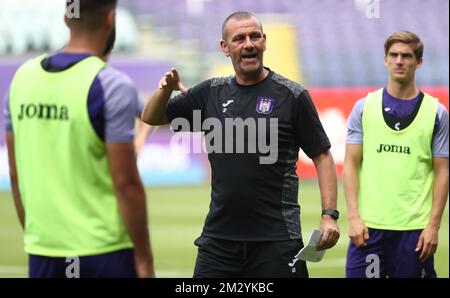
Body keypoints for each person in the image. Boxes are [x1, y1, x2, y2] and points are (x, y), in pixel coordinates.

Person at [142, 11, 340, 278]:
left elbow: (322, 156)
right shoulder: (210, 92)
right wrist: (165, 89)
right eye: (239, 38)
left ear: (264, 42)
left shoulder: (292, 95)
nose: (248, 43)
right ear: (225, 47)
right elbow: (152, 117)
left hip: (277, 239)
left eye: (254, 36)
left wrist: (329, 215)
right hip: (219, 241)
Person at [4, 0, 154, 278]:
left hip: (44, 251)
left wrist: (38, 238)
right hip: (104, 252)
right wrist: (144, 259)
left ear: (65, 18)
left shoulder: (21, 79)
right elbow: (126, 184)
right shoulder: (110, 85)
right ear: (111, 19)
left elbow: (16, 174)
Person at [344, 31, 449, 278]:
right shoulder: (364, 107)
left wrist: (433, 226)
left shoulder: (437, 113)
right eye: (394, 55)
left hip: (414, 232)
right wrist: (354, 218)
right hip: (369, 230)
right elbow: (350, 163)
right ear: (385, 60)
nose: (399, 61)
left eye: (406, 55)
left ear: (419, 61)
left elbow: (443, 171)